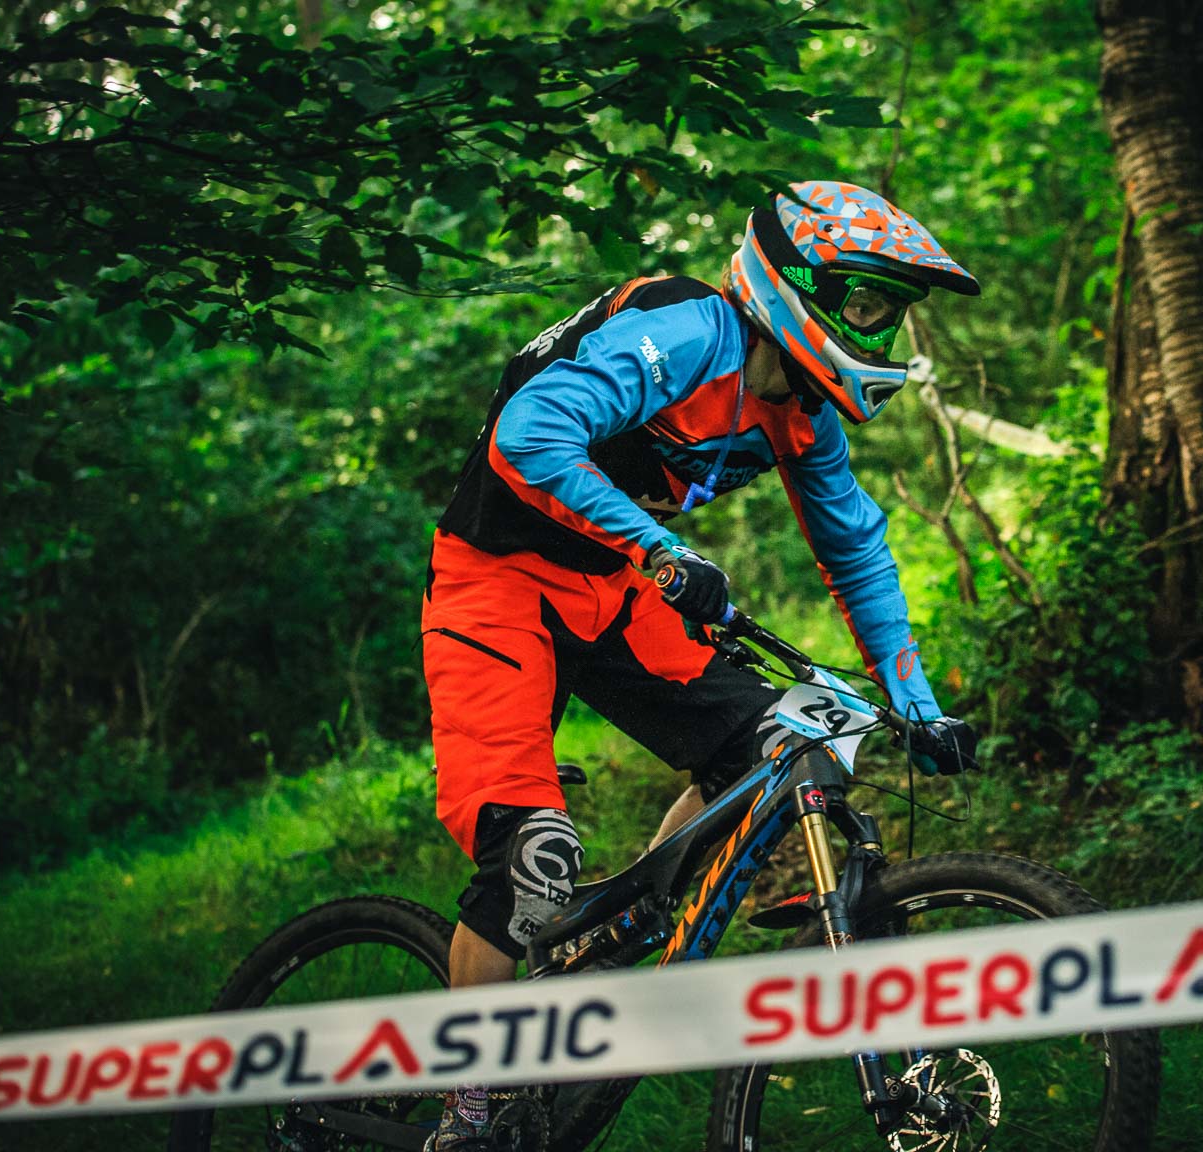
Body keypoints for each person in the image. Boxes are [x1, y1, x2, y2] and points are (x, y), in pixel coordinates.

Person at [418, 180, 981, 1150]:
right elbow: (528, 434)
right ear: (799, 285)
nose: (879, 327)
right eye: (867, 303)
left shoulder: (802, 415)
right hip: (496, 579)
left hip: (614, 589)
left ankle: (611, 935)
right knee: (531, 863)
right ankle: (464, 1117)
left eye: (891, 311)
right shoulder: (688, 332)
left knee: (799, 739)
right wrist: (663, 551)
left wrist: (915, 705)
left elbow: (856, 552)